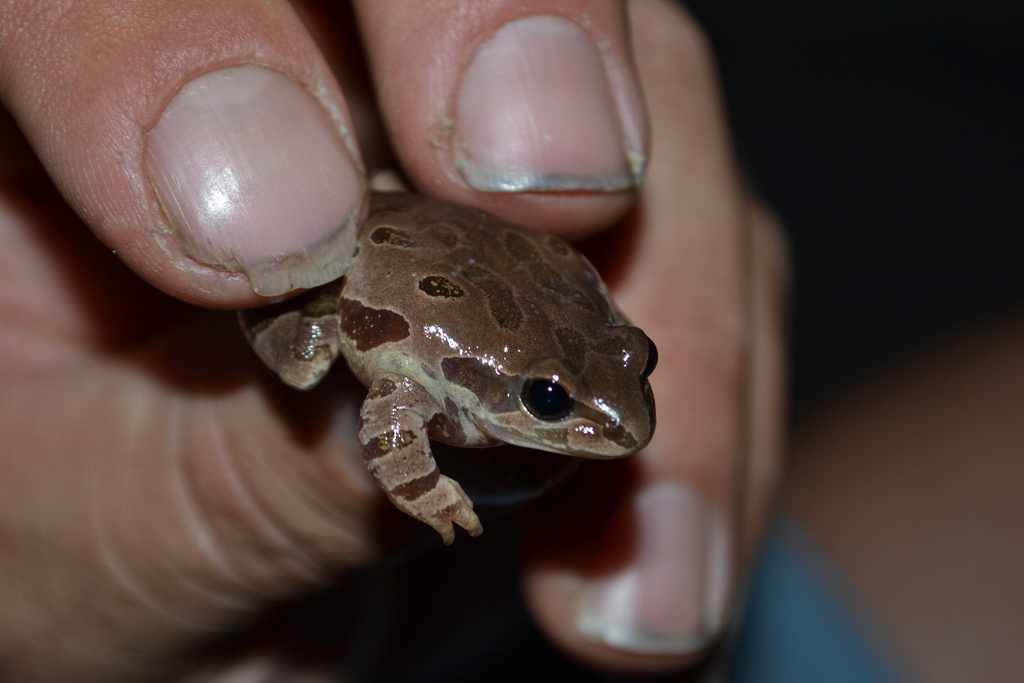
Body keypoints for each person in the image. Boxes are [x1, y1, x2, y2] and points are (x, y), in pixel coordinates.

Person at [0, 1, 786, 680]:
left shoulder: (579, 355)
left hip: (426, 229)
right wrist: (427, 487)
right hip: (367, 274)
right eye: (550, 401)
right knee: (308, 362)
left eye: (636, 360)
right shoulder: (431, 381)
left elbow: (563, 280)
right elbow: (387, 419)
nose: (618, 422)